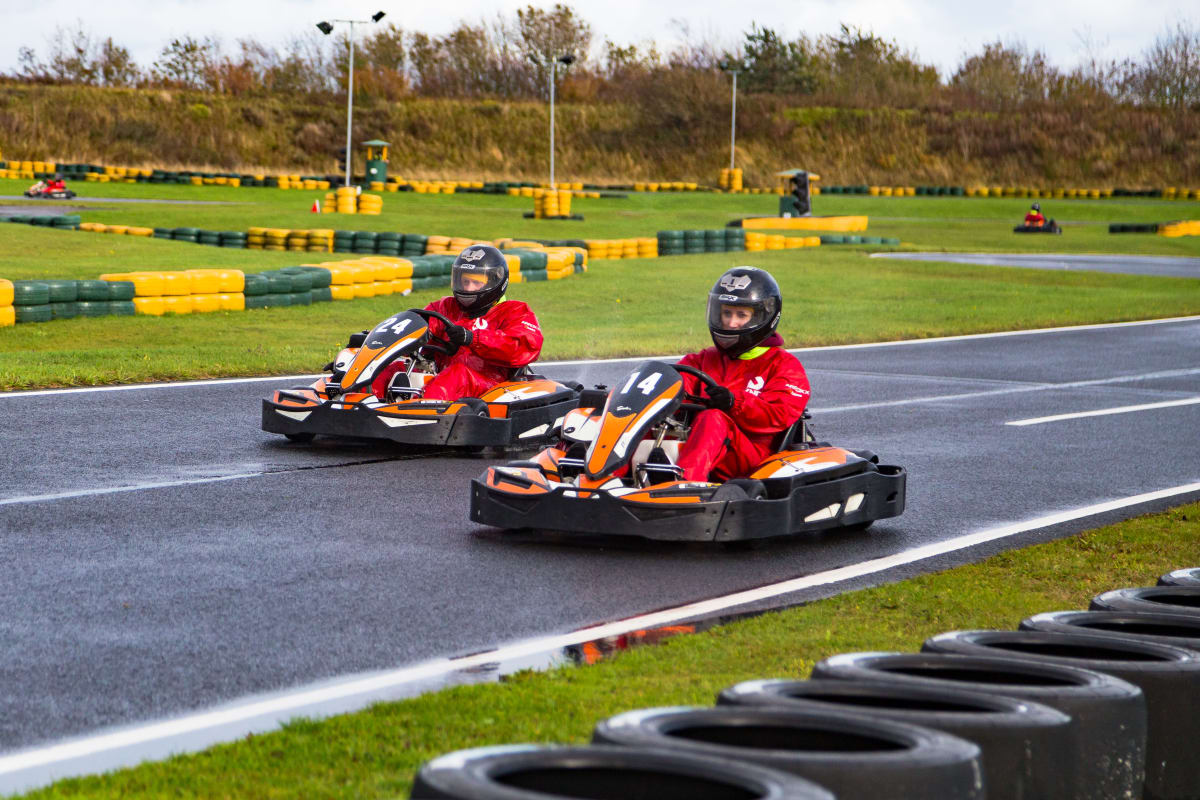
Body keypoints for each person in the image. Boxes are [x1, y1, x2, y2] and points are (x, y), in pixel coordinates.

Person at [672, 266, 810, 483]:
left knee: (713, 418)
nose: (730, 323)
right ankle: (607, 480)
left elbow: (779, 414)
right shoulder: (702, 360)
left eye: (741, 315)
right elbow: (673, 383)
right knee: (642, 416)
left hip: (752, 460)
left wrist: (734, 403)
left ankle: (684, 486)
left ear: (764, 316)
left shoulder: (784, 366)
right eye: (727, 313)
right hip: (699, 447)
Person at [371, 244, 543, 401]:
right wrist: (388, 338)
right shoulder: (444, 307)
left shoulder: (514, 311)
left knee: (457, 374)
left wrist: (472, 338)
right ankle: (362, 403)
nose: (468, 288)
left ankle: (421, 412)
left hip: (490, 386)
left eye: (476, 282)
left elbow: (523, 347)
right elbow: (420, 325)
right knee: (394, 367)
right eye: (465, 281)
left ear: (495, 282)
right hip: (440, 378)